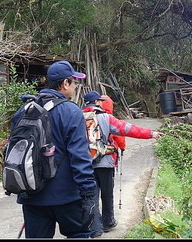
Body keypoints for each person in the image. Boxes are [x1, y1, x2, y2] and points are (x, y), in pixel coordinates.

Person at [11, 60, 97, 238]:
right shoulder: (71, 112)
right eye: (74, 82)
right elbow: (80, 157)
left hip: (32, 194)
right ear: (65, 83)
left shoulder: (24, 110)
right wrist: (88, 194)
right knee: (78, 235)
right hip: (67, 197)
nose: (74, 87)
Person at [82, 90, 163, 235]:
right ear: (98, 102)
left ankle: (95, 227)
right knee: (107, 194)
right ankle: (108, 222)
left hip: (86, 164)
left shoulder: (78, 118)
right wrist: (151, 133)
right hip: (105, 163)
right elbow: (128, 129)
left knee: (91, 196)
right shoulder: (107, 118)